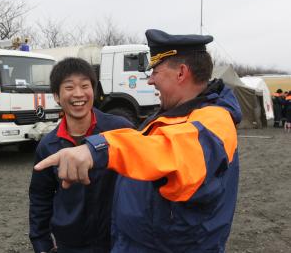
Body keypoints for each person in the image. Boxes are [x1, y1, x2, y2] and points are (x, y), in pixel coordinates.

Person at [35, 29, 242, 252]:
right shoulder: (175, 113)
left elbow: (171, 151)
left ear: (181, 73)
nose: (151, 79)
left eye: (155, 70)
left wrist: (98, 149)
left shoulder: (214, 120)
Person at [28, 57, 133, 253]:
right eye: (69, 87)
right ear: (57, 96)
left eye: (85, 86)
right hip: (71, 243)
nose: (79, 94)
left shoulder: (120, 129)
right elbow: (40, 198)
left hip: (117, 240)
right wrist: (42, 243)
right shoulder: (48, 145)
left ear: (93, 91)